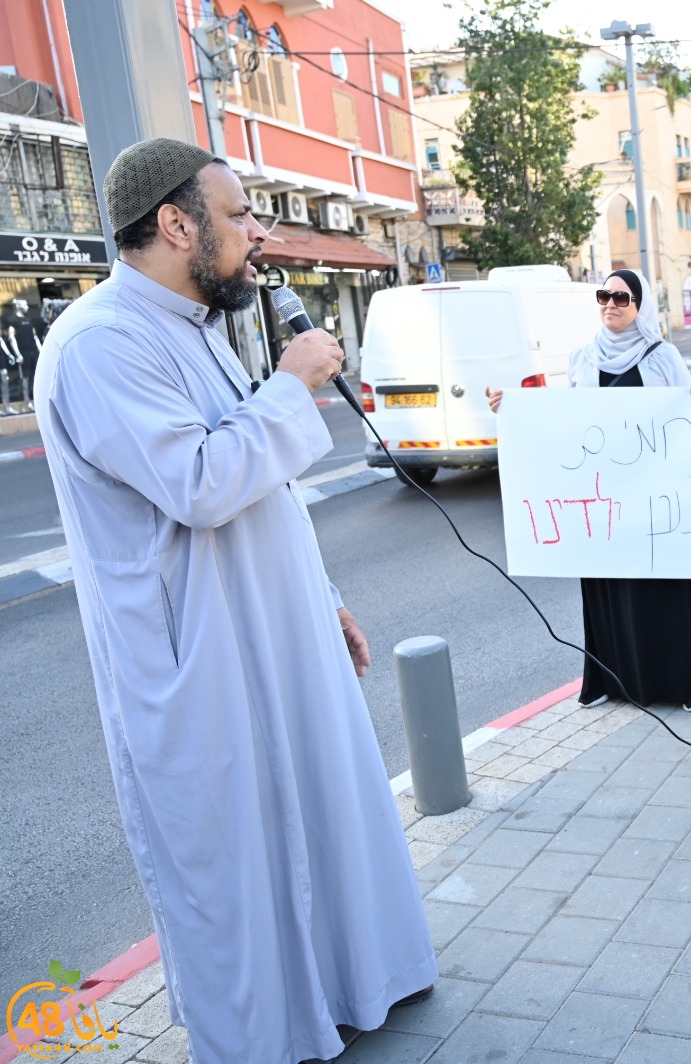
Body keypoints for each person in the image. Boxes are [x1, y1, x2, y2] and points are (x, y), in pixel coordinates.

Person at [32, 139, 437, 1064]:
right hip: (197, 654)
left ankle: (352, 986)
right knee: (237, 858)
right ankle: (265, 1036)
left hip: (277, 626)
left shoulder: (195, 328)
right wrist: (292, 384)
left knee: (327, 808)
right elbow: (202, 483)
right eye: (241, 214)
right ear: (177, 225)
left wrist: (323, 597)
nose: (259, 233)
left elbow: (265, 494)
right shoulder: (100, 344)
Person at [489, 270, 691, 711]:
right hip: (603, 499)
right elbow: (563, 418)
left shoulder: (662, 356)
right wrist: (510, 406)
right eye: (603, 296)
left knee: (664, 584)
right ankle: (609, 680)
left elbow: (690, 417)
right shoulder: (582, 356)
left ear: (640, 304)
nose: (610, 304)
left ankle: (687, 682)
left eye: (621, 297)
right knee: (609, 583)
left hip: (656, 496)